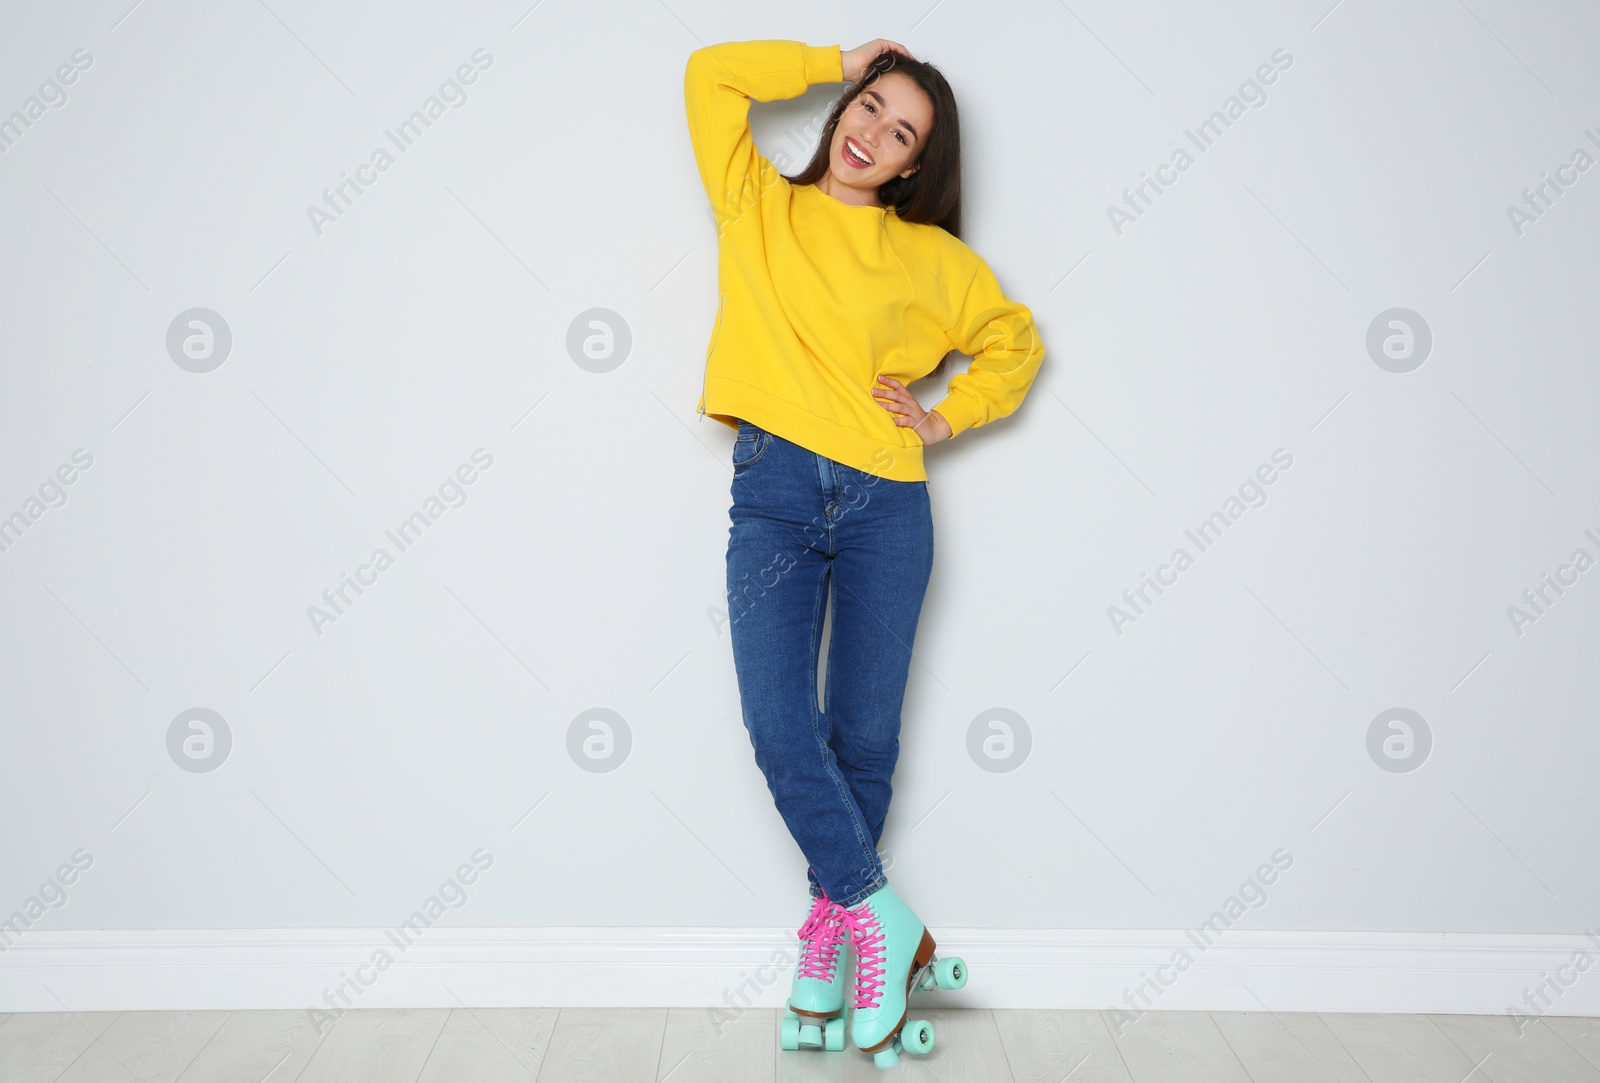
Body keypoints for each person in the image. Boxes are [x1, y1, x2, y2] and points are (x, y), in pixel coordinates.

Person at [684, 37, 1045, 1067]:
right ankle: (879, 914)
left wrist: (946, 418)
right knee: (777, 721)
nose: (872, 135)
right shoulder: (759, 204)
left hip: (889, 502)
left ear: (913, 168)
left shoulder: (932, 259)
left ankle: (824, 954)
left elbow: (1014, 340)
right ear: (844, 104)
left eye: (902, 135)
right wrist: (825, 54)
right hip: (774, 488)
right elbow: (708, 75)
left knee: (864, 741)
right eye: (869, 105)